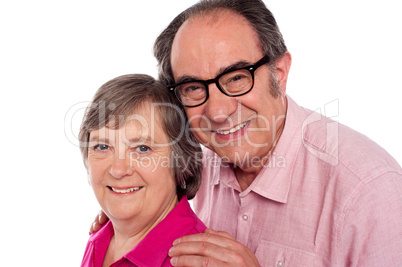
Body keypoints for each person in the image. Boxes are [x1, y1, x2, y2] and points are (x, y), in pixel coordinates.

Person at [91, 0, 402, 266]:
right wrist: (131, 214)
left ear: (279, 75)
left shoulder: (369, 191)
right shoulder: (193, 162)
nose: (218, 112)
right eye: (194, 87)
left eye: (237, 78)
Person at [79, 74, 206, 266]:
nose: (118, 170)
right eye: (103, 147)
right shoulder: (101, 236)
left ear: (180, 161)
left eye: (142, 148)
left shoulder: (195, 260)